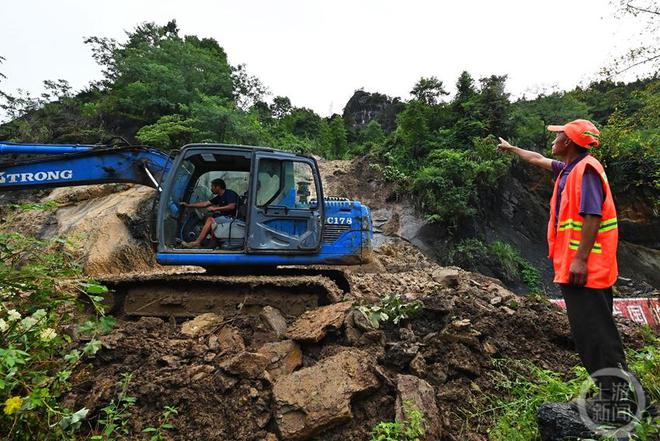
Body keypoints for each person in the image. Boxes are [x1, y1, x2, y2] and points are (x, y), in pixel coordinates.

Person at [498, 119, 633, 418]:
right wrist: (512, 149)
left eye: (559, 136)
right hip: (580, 269)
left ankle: (618, 402)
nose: (554, 140)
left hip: (587, 270)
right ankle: (613, 395)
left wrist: (581, 259)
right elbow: (537, 159)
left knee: (596, 335)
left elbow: (592, 217)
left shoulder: (585, 172)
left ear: (569, 142)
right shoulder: (570, 169)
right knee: (592, 333)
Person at [180, 178, 239, 248]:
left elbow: (232, 206)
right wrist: (188, 205)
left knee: (210, 220)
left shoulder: (229, 194)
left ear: (218, 187)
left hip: (233, 219)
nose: (211, 189)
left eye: (212, 186)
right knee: (207, 216)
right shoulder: (219, 197)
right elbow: (205, 204)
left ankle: (197, 242)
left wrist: (215, 208)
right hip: (225, 218)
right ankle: (207, 239)